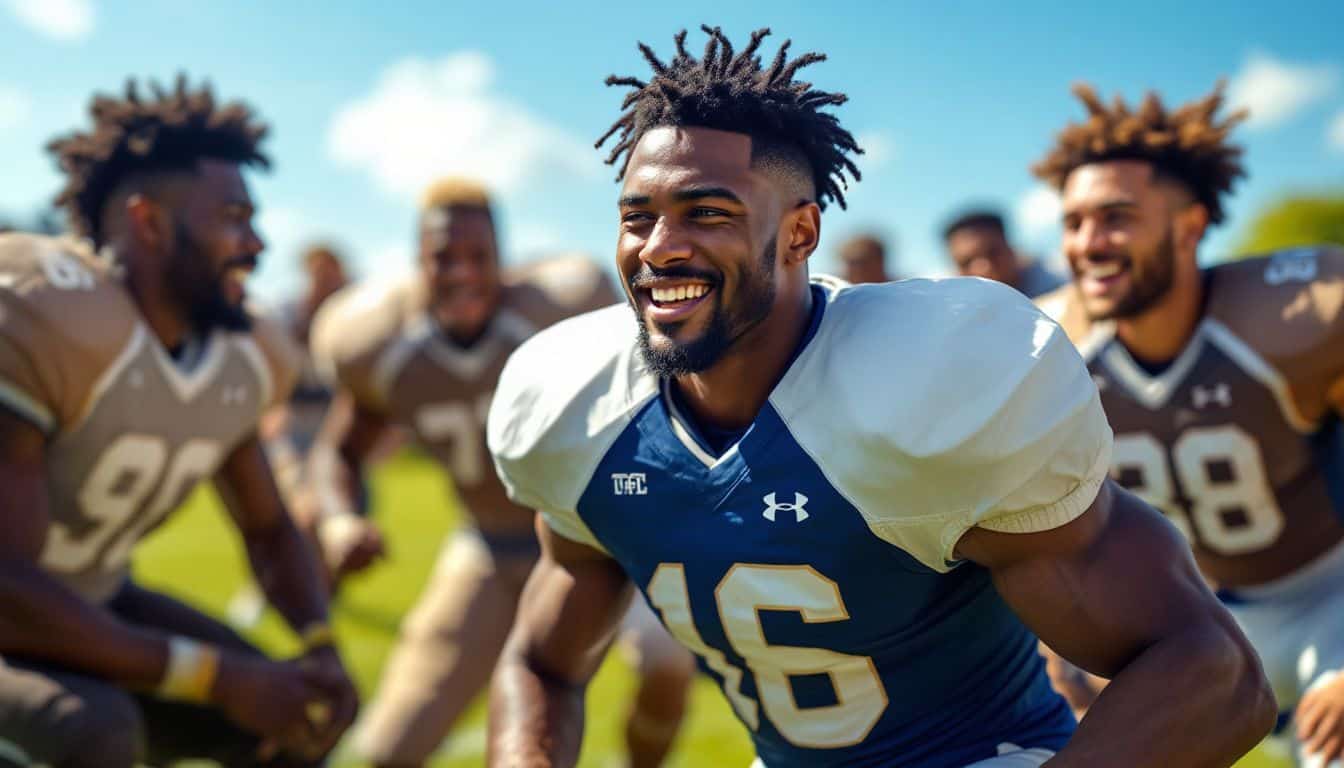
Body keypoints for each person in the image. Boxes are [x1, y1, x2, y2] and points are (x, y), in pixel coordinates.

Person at [484, 26, 1274, 768]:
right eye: (637, 218)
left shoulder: (925, 385)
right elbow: (539, 664)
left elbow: (1216, 673)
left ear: (799, 234)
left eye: (707, 214)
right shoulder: (582, 412)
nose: (660, 248)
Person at [0, 78, 358, 767]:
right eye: (232, 217)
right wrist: (213, 675)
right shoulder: (50, 317)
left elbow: (267, 526)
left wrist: (318, 642)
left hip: (93, 598)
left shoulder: (238, 355)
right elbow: (9, 591)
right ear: (150, 224)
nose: (256, 244)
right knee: (90, 729)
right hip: (15, 612)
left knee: (295, 715)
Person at [306, 177, 696, 768]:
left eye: (477, 257)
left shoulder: (559, 312)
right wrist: (338, 519)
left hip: (600, 541)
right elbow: (339, 449)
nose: (461, 273)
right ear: (418, 261)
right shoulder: (381, 343)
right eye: (443, 258)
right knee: (389, 749)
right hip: (487, 547)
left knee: (663, 662)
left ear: (501, 261)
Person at [1035, 82, 1344, 767]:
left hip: (1330, 595)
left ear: (1190, 225)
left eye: (1116, 217)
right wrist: (1059, 641)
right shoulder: (1045, 346)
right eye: (1074, 221)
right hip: (1189, 617)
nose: (1089, 243)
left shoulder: (1301, 314)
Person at [943, 209, 1063, 297]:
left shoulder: (1062, 290)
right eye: (966, 262)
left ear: (1011, 249)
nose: (983, 268)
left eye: (992, 253)